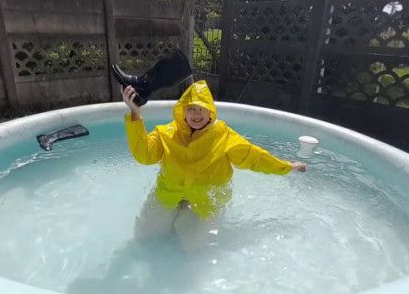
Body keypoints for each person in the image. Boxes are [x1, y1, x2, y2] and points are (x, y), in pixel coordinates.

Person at [121, 80, 307, 251]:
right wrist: (135, 113)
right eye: (192, 108)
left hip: (204, 201)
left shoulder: (223, 136)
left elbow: (255, 158)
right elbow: (143, 155)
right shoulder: (166, 133)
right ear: (183, 111)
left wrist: (286, 166)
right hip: (168, 193)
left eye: (202, 109)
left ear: (211, 112)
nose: (197, 114)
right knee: (144, 237)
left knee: (193, 247)